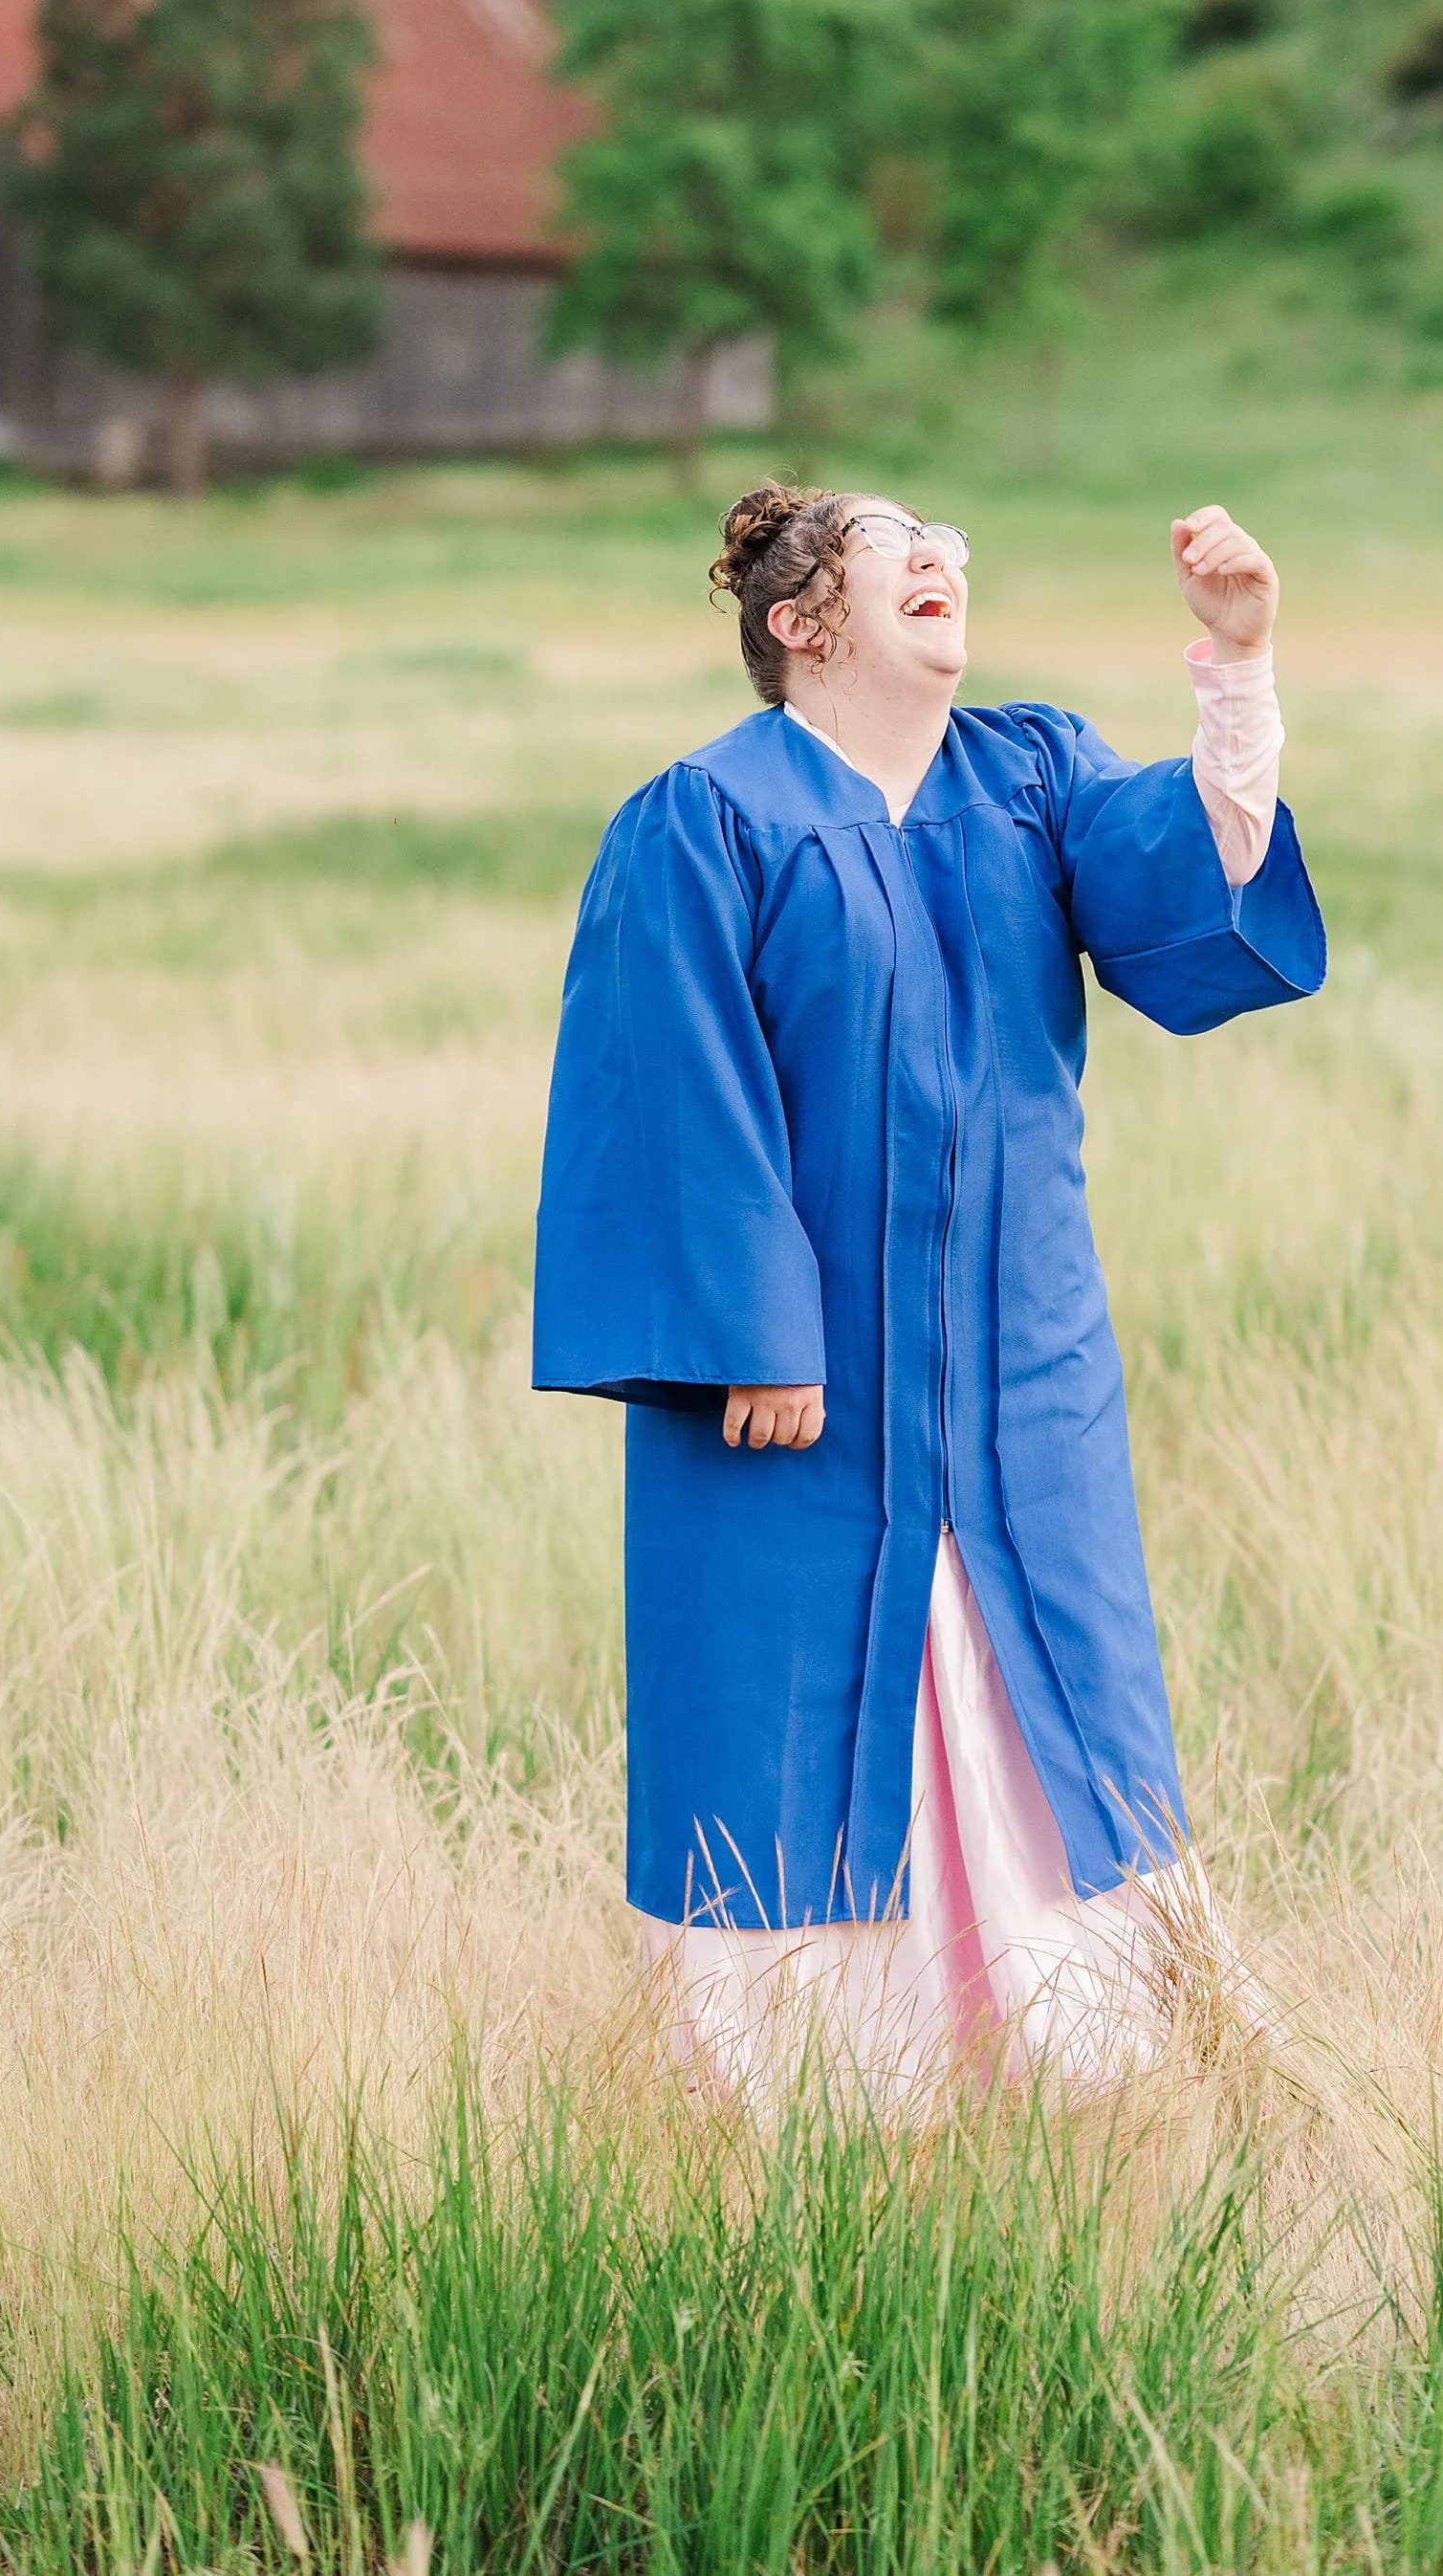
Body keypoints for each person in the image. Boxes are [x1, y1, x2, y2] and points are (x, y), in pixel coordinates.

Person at [533, 486, 1325, 2100]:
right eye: (896, 546)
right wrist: (755, 1333)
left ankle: (1085, 2064)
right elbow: (672, 1082)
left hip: (1024, 1364)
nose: (943, 557)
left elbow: (1187, 884)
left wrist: (1236, 668)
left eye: (952, 542)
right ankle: (809, 2094)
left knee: (1060, 1689)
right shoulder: (704, 816)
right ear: (801, 626)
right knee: (795, 1716)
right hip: (797, 1402)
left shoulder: (1026, 782)